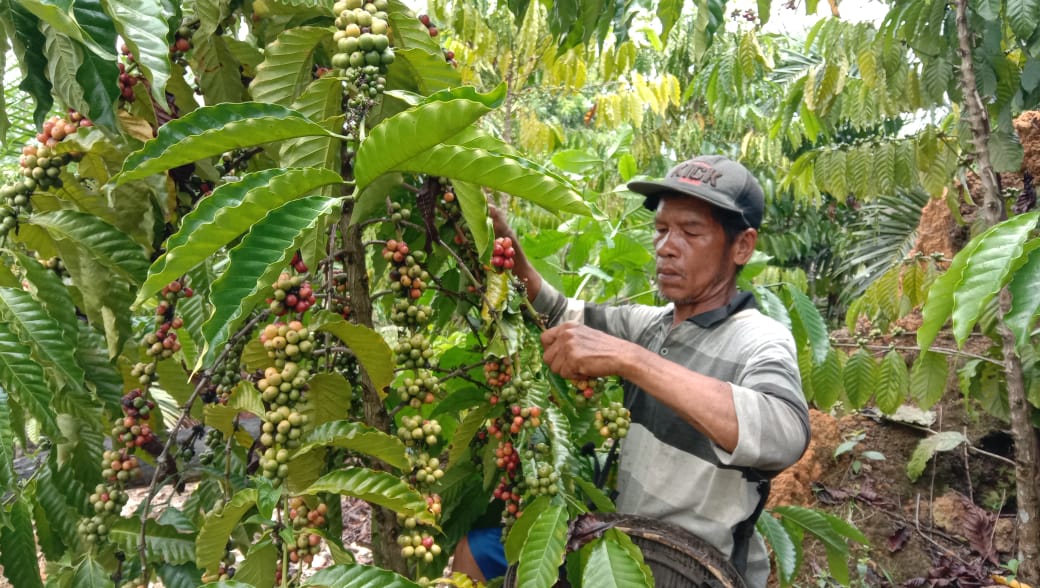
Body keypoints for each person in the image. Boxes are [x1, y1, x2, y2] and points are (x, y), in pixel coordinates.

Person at [453, 155, 811, 587]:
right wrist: (505, 248)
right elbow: (554, 312)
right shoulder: (651, 325)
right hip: (623, 540)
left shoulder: (759, 339)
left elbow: (784, 433)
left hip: (697, 567)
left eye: (691, 232)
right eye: (661, 230)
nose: (666, 246)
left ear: (742, 246)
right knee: (478, 550)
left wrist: (632, 360)